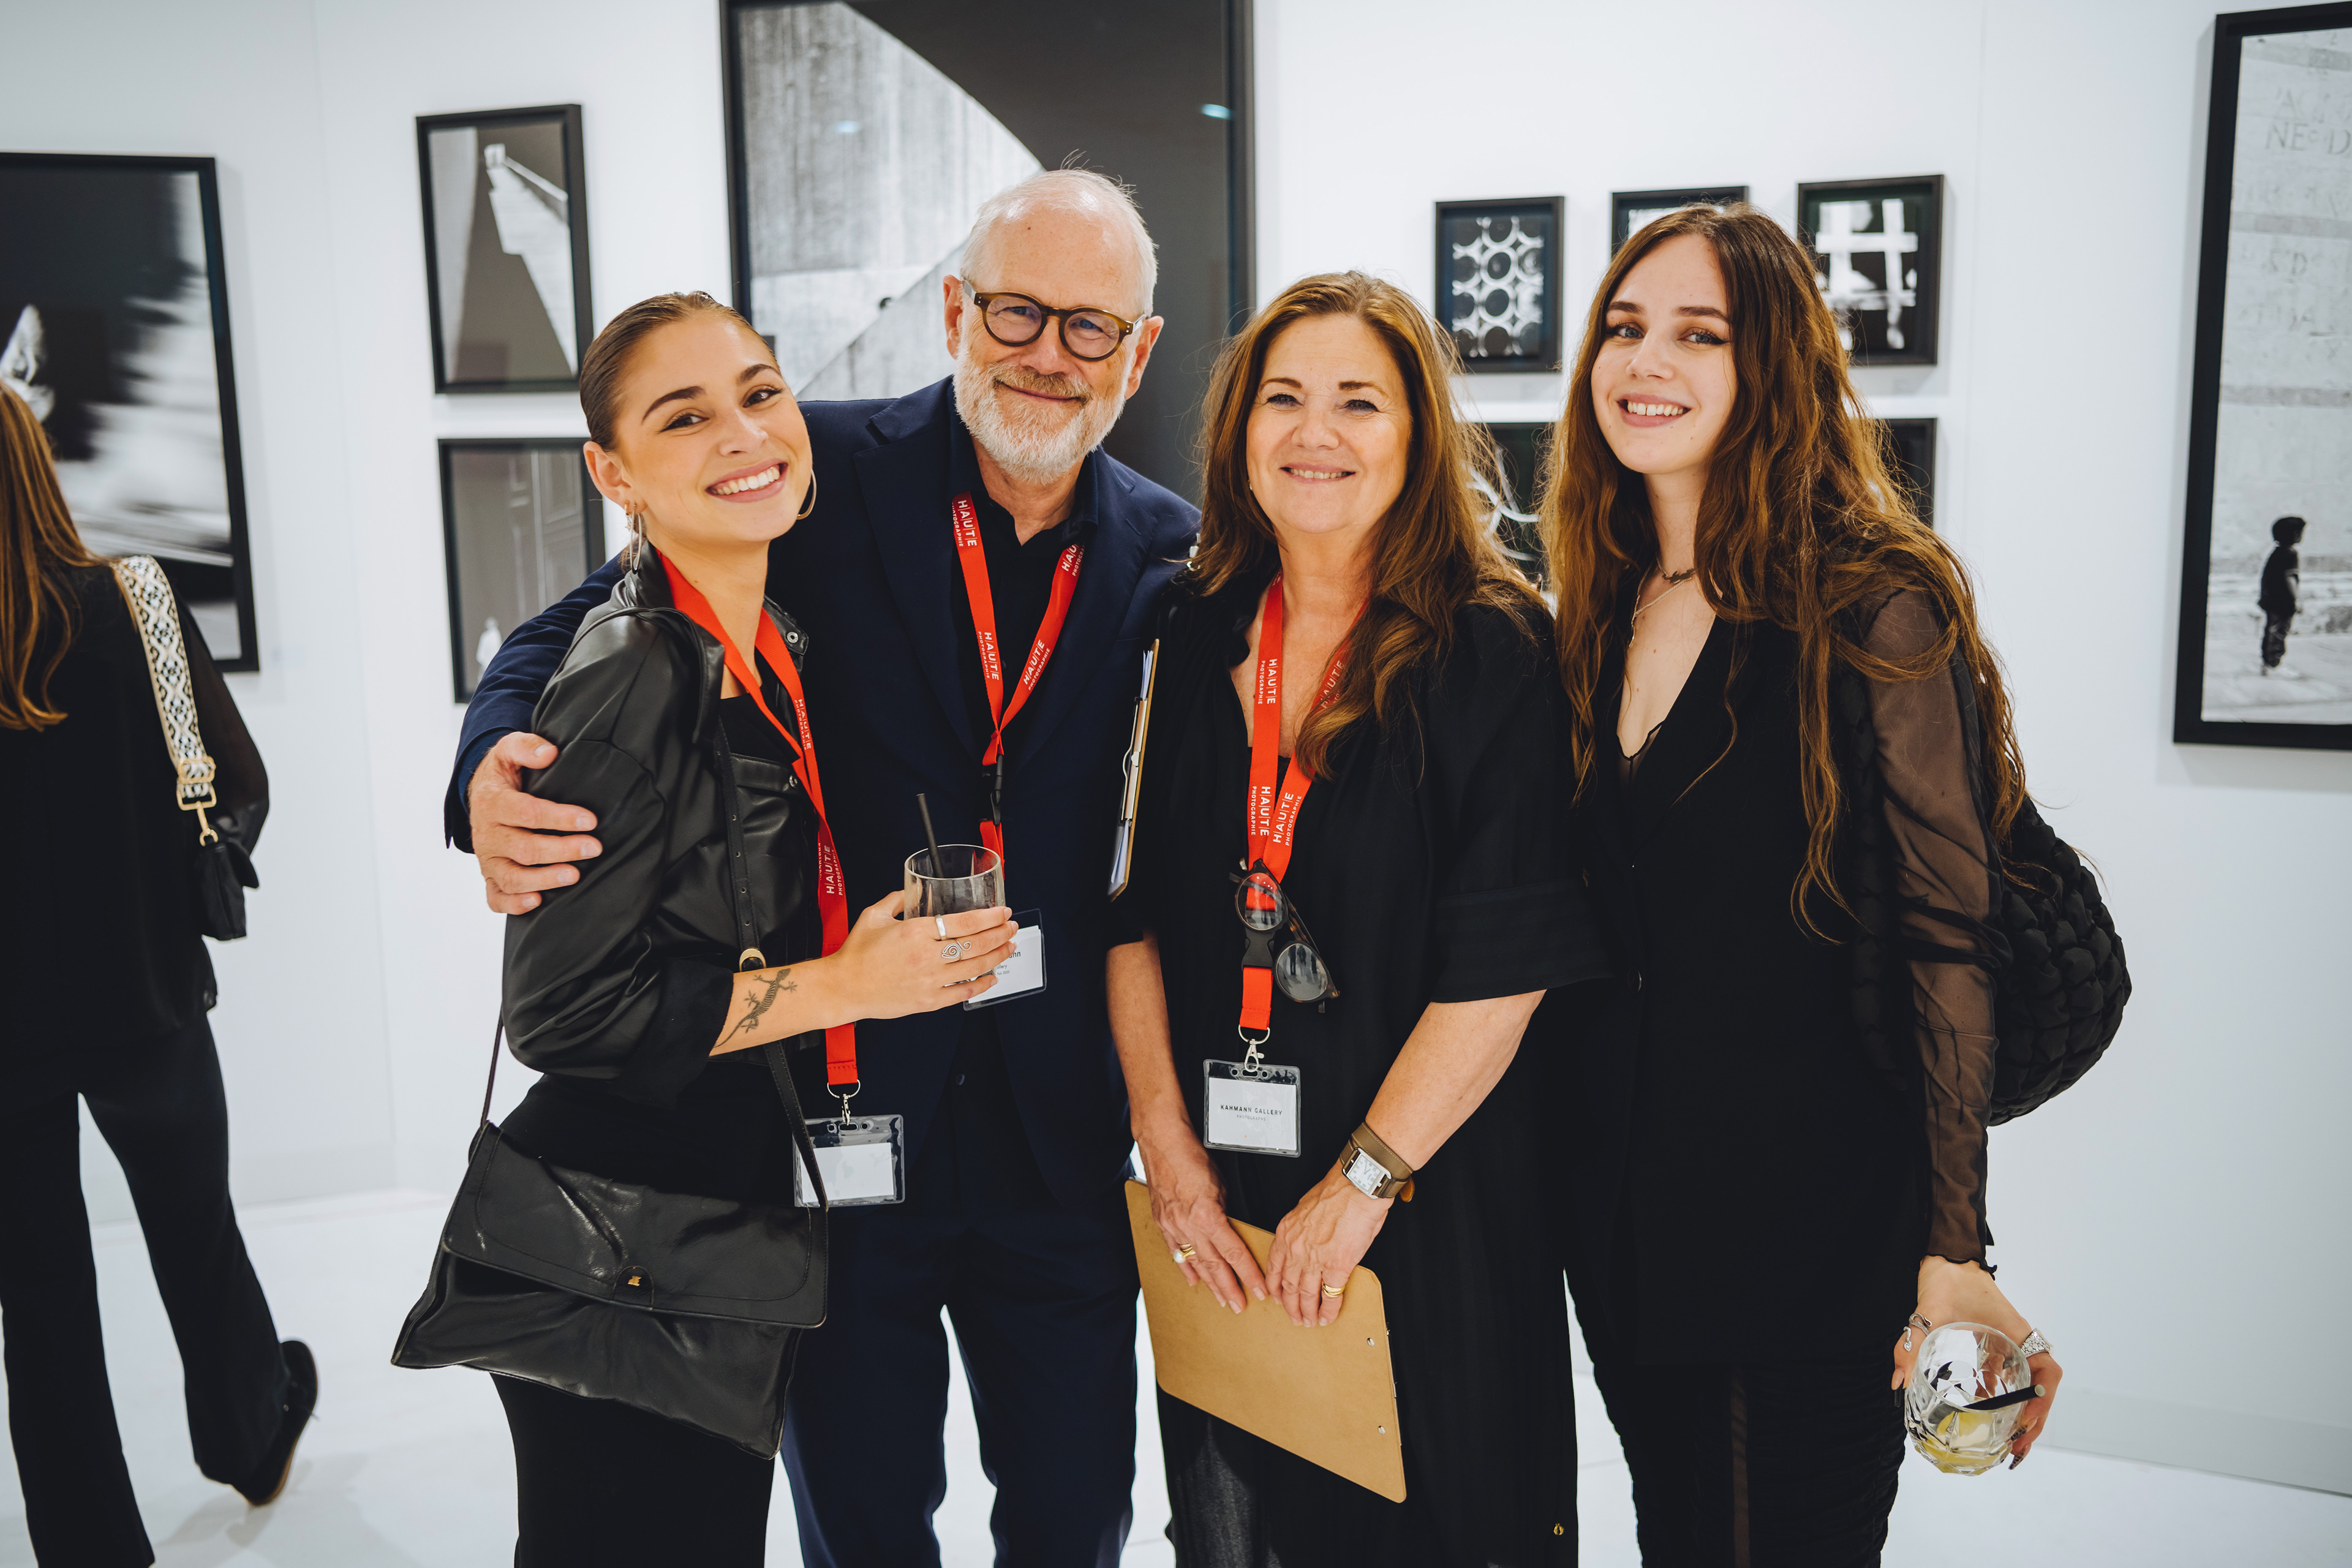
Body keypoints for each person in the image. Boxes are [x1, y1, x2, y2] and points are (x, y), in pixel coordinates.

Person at [450, 170, 1195, 1566]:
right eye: (1017, 312)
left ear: (1138, 351)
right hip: (836, 1121)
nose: (1048, 353)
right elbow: (585, 615)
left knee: (1076, 1511)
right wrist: (489, 756)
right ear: (957, 311)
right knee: (860, 1516)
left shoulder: (1172, 550)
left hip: (1055, 1140)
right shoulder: (821, 471)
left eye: (1090, 326)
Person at [1540, 204, 2064, 1566]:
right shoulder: (1597, 603)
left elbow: (1949, 937)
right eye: (1625, 326)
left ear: (1772, 362)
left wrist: (1959, 1246)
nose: (1645, 360)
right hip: (1628, 1227)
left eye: (1699, 334)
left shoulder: (1873, 599)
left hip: (1809, 1226)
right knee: (1680, 1533)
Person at [488, 291, 1017, 1563]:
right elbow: (559, 1012)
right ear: (614, 473)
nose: (742, 433)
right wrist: (847, 985)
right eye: (685, 417)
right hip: (620, 1232)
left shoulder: (762, 630)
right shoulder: (635, 669)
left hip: (709, 1215)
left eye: (761, 392)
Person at [1105, 273, 1611, 1567]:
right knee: (1239, 1522)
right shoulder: (1184, 626)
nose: (1314, 432)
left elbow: (1504, 971)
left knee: (1434, 1523)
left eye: (1358, 402)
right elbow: (1129, 914)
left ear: (1418, 434)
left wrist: (1362, 1184)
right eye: (1282, 398)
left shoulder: (1496, 649)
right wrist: (1165, 1145)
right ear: (1240, 431)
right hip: (1224, 1186)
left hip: (1426, 1198)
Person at [0, 381, 314, 1566]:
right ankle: (249, 1434)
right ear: (36, 466)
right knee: (195, 1230)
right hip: (146, 995)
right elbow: (238, 785)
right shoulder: (133, 599)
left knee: (39, 1302)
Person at [2260, 514, 2304, 677]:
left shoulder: (2276, 552)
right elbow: (2290, 577)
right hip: (2283, 601)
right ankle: (2274, 665)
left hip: (2272, 600)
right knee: (2280, 632)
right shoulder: (2291, 554)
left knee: (2271, 631)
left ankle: (2268, 663)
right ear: (2295, 534)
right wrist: (2297, 599)